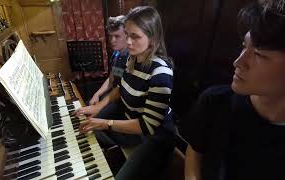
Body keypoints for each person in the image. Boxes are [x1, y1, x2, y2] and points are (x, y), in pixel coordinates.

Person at [181, 1, 285, 180]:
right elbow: (195, 151)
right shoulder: (215, 101)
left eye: (259, 55)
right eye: (244, 46)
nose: (238, 62)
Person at [77, 6, 176, 179]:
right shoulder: (132, 59)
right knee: (86, 128)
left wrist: (105, 123)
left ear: (152, 39)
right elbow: (120, 89)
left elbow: (147, 126)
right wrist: (97, 108)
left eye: (135, 36)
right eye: (128, 34)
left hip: (154, 138)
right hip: (133, 126)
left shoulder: (160, 73)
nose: (128, 42)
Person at [88, 15, 128, 106]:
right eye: (110, 36)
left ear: (127, 35)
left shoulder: (132, 59)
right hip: (114, 95)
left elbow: (122, 89)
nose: (112, 40)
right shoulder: (116, 55)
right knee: (88, 104)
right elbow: (112, 78)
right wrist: (97, 94)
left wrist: (100, 106)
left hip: (124, 102)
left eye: (117, 36)